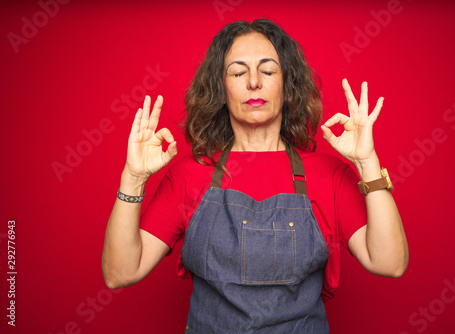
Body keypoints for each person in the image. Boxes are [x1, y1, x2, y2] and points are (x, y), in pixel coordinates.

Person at [102, 19, 408, 333]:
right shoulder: (188, 175)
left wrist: (367, 162)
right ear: (222, 88)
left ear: (287, 85)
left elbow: (389, 263)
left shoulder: (329, 174)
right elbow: (120, 273)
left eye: (268, 71)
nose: (253, 83)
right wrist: (133, 177)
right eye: (238, 72)